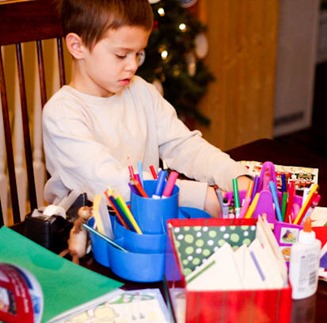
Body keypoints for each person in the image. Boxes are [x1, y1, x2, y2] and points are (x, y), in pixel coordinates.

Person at [43, 0, 252, 218]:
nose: (133, 65)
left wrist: (234, 177)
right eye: (121, 55)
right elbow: (112, 184)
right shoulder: (62, 114)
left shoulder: (141, 91)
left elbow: (184, 145)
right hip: (83, 231)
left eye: (138, 54)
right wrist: (199, 195)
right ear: (77, 46)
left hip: (146, 220)